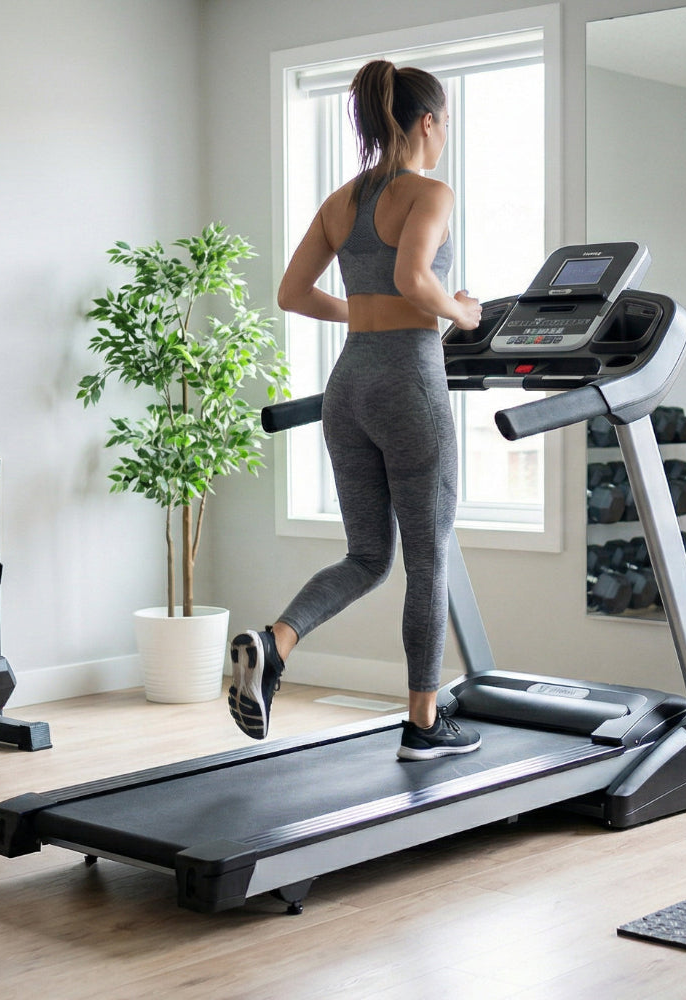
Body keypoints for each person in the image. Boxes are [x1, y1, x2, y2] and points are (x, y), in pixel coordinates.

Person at [228, 59, 482, 760]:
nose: (446, 132)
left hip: (350, 385)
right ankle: (423, 726)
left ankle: (275, 647)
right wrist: (457, 314)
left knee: (368, 555)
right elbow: (413, 275)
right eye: (446, 120)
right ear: (427, 121)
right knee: (426, 562)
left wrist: (362, 312)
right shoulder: (431, 192)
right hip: (409, 383)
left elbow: (291, 292)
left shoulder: (341, 201)